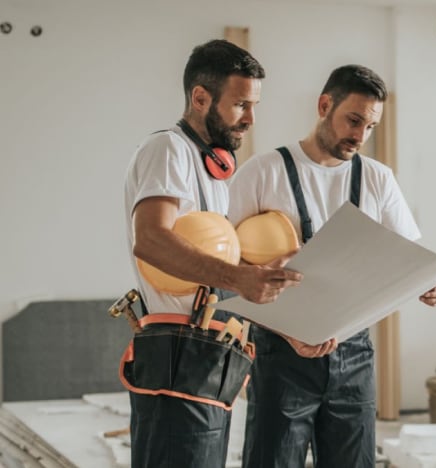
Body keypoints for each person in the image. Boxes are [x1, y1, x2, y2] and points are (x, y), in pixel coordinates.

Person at [227, 64, 436, 468]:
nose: (360, 136)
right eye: (353, 120)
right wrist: (289, 331)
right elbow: (228, 270)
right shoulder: (262, 172)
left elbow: (411, 259)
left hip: (354, 357)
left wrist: (432, 283)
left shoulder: (378, 179)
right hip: (281, 355)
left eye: (370, 126)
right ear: (324, 105)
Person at [122, 39, 303, 468]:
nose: (251, 118)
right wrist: (238, 277)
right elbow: (150, 239)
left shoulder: (214, 171)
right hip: (176, 354)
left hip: (208, 353)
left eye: (254, 105)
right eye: (241, 104)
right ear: (200, 97)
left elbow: (210, 262)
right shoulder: (167, 150)